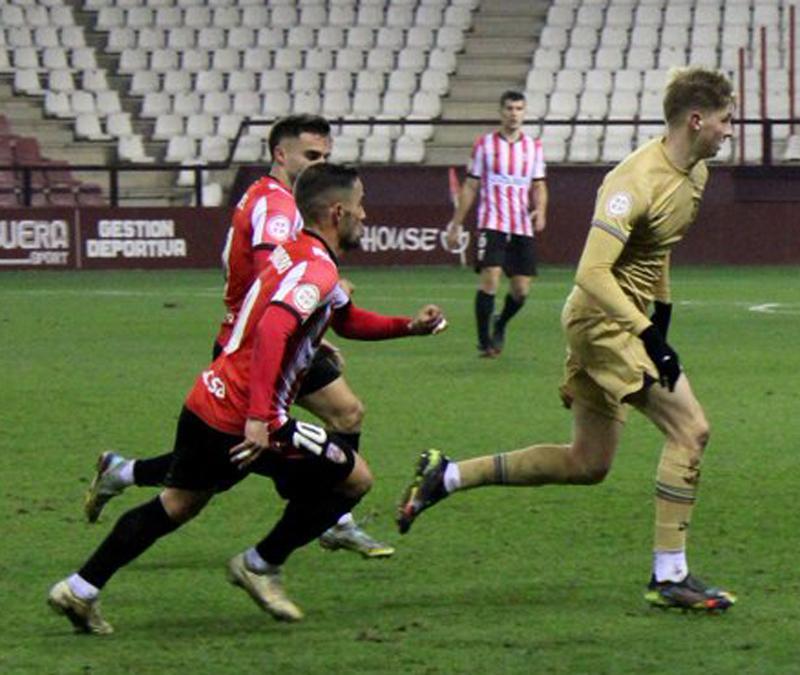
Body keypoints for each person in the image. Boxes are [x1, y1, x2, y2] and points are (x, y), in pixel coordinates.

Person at [48, 163, 448, 635]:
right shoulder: (317, 269)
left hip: (208, 399)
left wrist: (410, 326)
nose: (365, 214)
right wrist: (262, 418)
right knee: (355, 480)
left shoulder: (296, 253)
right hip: (249, 417)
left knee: (177, 503)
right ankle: (260, 564)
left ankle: (80, 588)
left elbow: (348, 320)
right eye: (361, 205)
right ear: (338, 212)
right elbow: (276, 324)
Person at [398, 67, 737, 612]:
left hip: (620, 323)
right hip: (602, 323)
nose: (729, 131)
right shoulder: (634, 182)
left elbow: (660, 246)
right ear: (696, 120)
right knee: (691, 430)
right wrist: (647, 332)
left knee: (588, 463)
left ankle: (448, 475)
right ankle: (670, 574)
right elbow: (592, 275)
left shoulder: (695, 173)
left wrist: (664, 318)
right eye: (725, 121)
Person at [83, 115, 394, 558]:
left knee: (342, 414)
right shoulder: (277, 207)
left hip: (273, 335)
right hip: (259, 343)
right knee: (222, 463)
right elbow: (276, 273)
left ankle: (333, 514)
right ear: (280, 155)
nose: (319, 164)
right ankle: (330, 515)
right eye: (311, 156)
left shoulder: (271, 197)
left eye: (324, 157)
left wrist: (311, 320)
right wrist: (310, 309)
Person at [445, 90, 548, 357]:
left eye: (518, 109)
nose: (514, 114)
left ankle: (500, 323)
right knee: (490, 278)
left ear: (524, 113)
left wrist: (541, 209)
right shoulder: (484, 145)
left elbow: (539, 185)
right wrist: (456, 223)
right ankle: (485, 342)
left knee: (521, 290)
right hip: (491, 222)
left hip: (521, 225)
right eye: (509, 109)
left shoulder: (533, 147)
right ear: (501, 112)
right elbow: (470, 185)